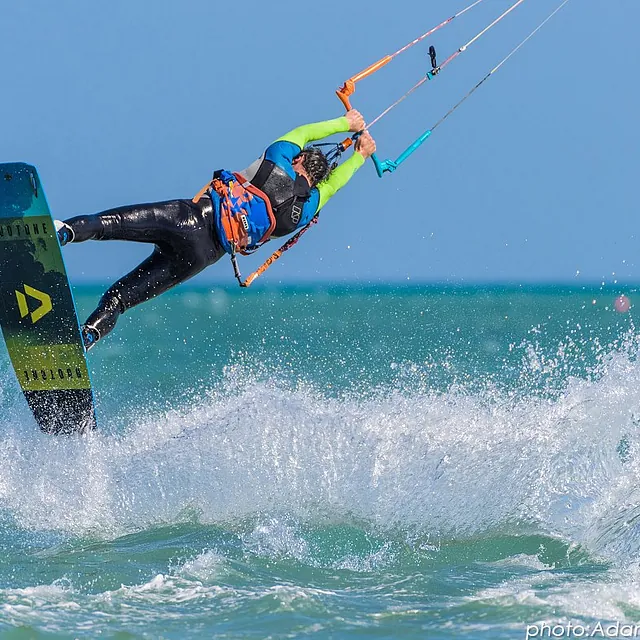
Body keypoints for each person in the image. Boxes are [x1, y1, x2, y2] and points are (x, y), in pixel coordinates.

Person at [55, 110, 376, 350]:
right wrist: (361, 156)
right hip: (202, 257)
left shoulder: (278, 159)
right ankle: (86, 337)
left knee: (110, 224)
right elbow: (334, 186)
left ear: (299, 160)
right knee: (118, 299)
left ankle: (64, 233)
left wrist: (345, 123)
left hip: (193, 218)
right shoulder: (302, 213)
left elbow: (304, 133)